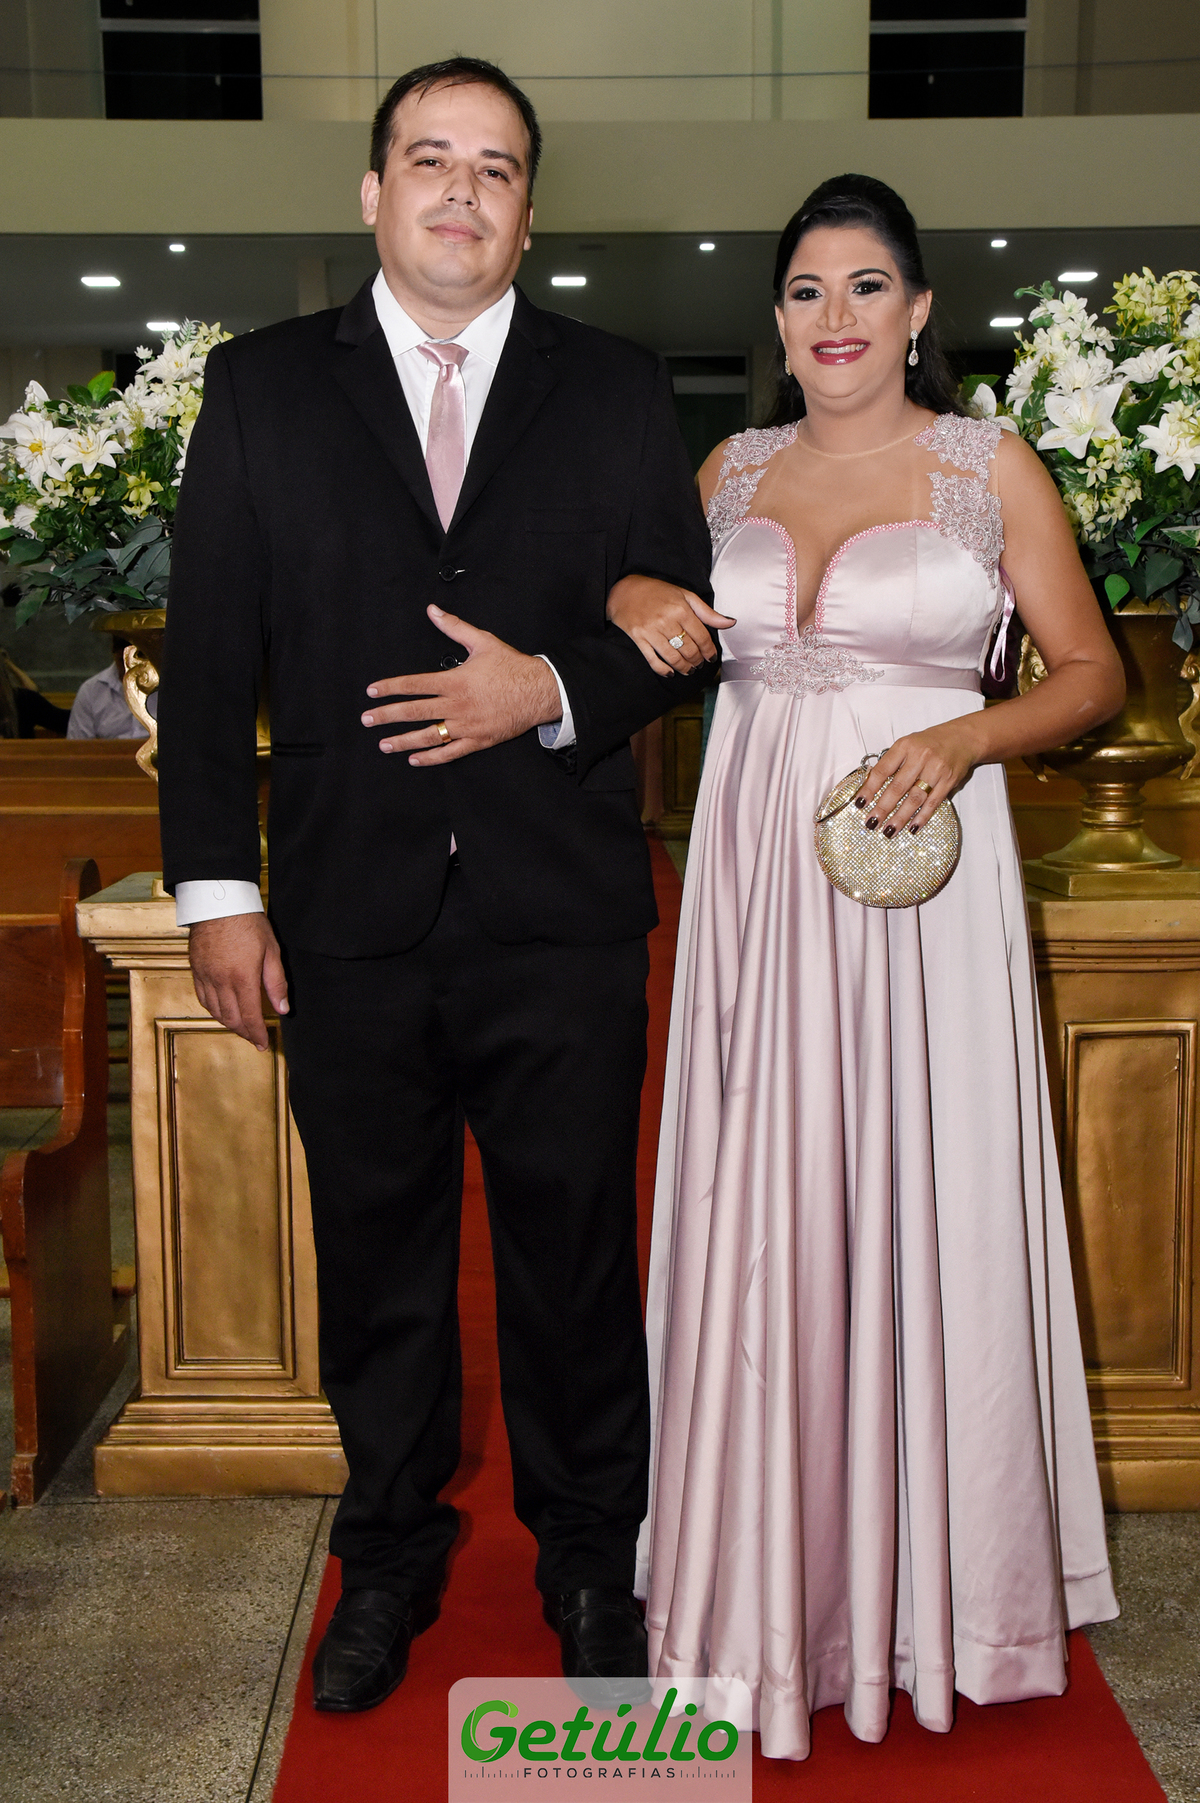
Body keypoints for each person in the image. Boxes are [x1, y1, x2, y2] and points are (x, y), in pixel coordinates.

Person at [155, 58, 724, 1713]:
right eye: (430, 159)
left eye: (495, 166)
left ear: (530, 211)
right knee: (379, 1257)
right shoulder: (261, 389)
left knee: (573, 1262)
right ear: (373, 192)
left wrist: (547, 687)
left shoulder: (615, 388)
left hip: (562, 915)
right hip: (349, 918)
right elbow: (210, 661)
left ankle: (589, 1556)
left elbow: (683, 622)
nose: (462, 190)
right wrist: (218, 893)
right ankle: (389, 1553)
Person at [609, 174, 1124, 1760]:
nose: (835, 317)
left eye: (866, 286)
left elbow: (1093, 671)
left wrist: (967, 735)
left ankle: (941, 1597)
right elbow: (637, 606)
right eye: (806, 290)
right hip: (757, 875)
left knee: (926, 1186)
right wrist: (631, 592)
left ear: (918, 311)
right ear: (777, 322)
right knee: (762, 1199)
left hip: (925, 886)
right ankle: (763, 1585)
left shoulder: (988, 463)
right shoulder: (726, 469)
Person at [66, 636, 150, 739]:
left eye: (136, 661)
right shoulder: (90, 691)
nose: (129, 667)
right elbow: (78, 743)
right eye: (123, 661)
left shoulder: (163, 687)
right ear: (114, 654)